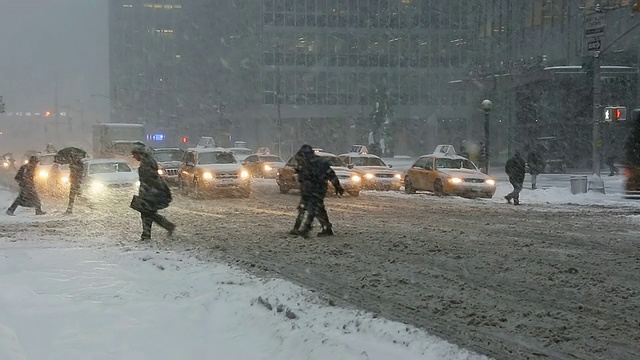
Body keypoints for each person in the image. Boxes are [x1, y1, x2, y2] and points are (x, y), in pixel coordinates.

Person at [289, 144, 344, 238]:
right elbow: (331, 174)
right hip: (313, 189)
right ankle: (325, 228)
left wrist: (337, 186)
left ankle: (305, 229)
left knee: (311, 208)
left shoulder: (316, 163)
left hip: (315, 189)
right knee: (314, 208)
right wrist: (337, 186)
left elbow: (329, 174)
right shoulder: (313, 163)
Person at [131, 147, 175, 241]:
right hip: (151, 191)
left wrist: (145, 191)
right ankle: (149, 233)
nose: (134, 157)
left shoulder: (147, 163)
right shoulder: (148, 161)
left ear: (139, 153)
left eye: (134, 155)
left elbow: (149, 179)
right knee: (149, 213)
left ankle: (149, 234)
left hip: (151, 192)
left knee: (147, 212)